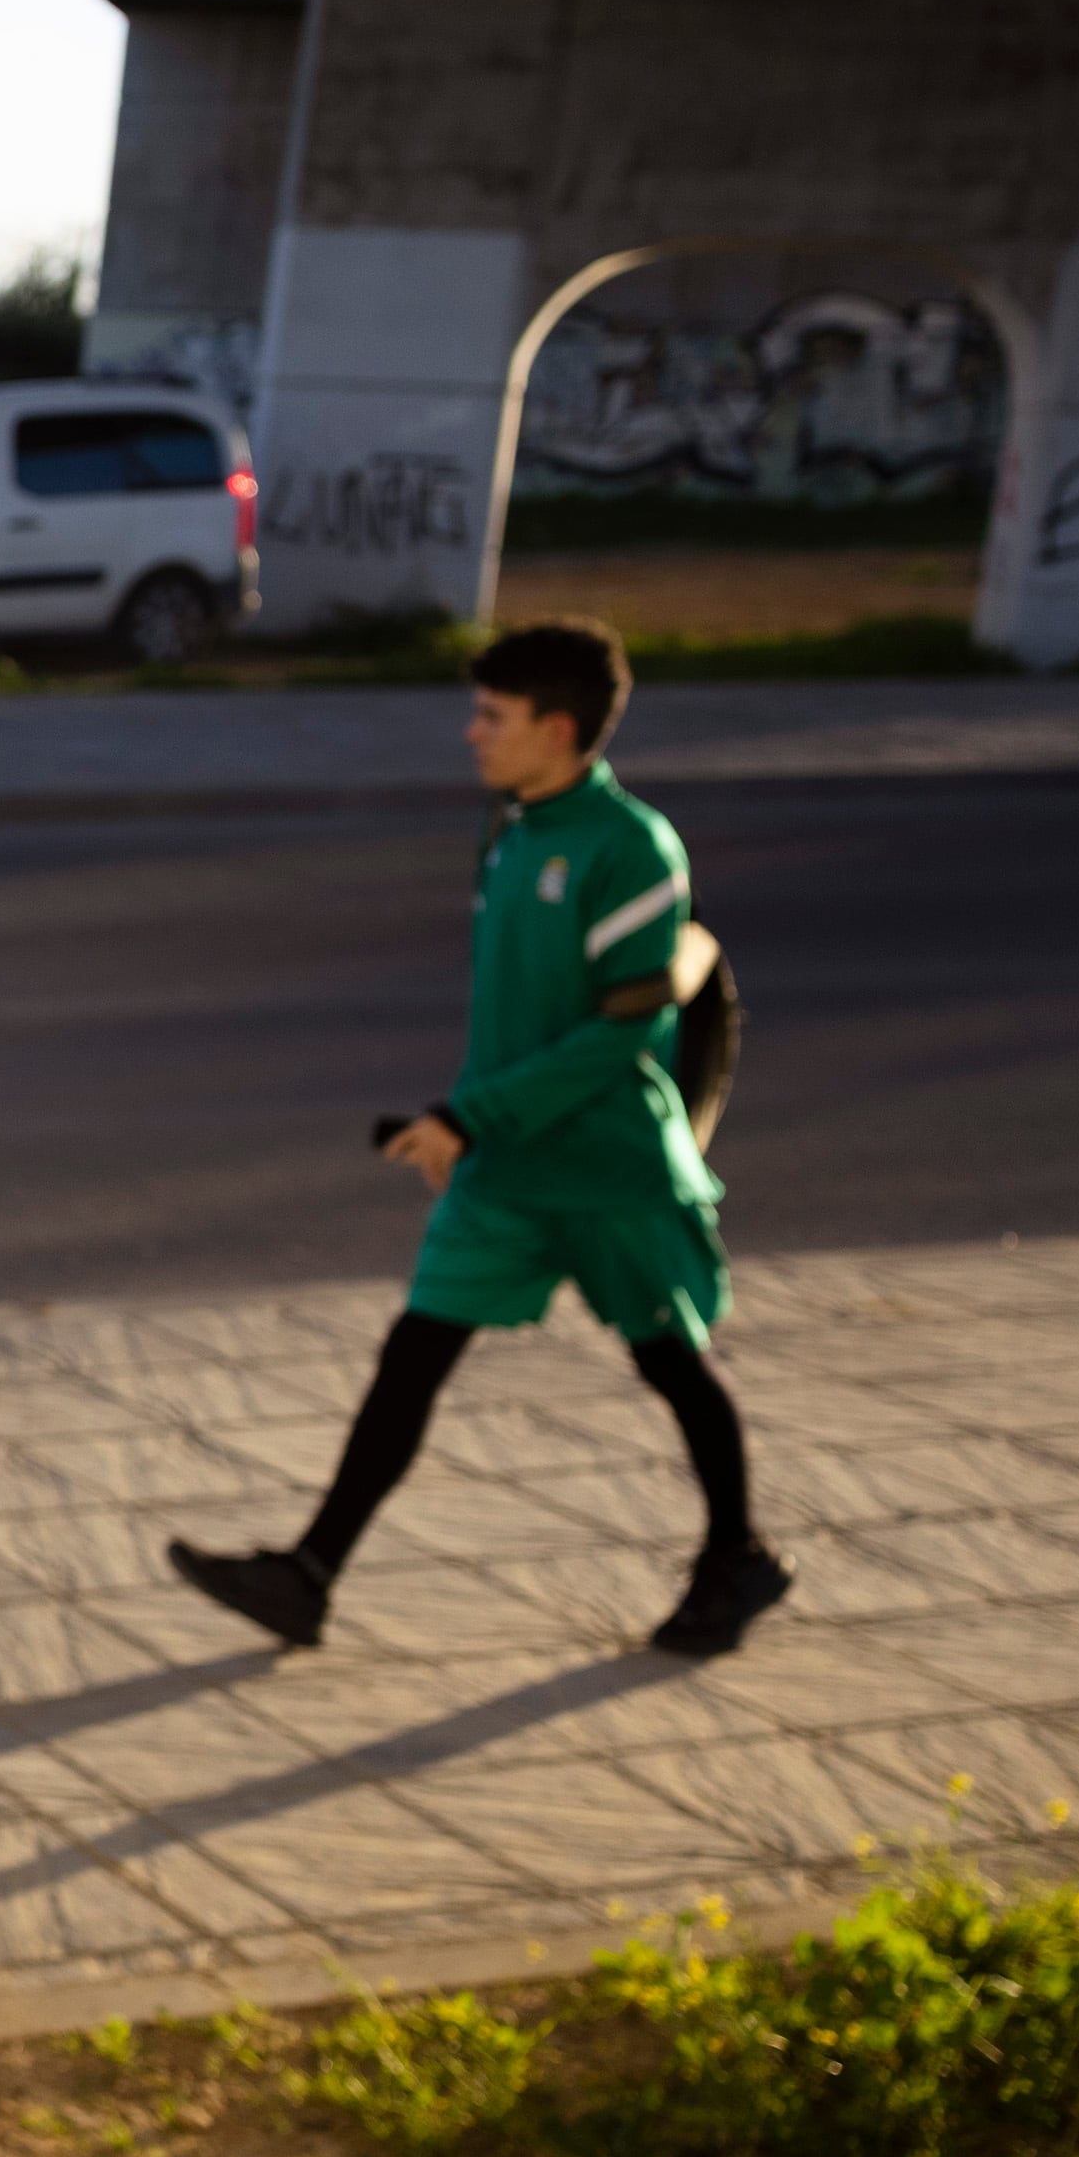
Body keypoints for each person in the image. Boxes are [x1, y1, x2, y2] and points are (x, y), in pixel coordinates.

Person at [170, 619, 790, 1659]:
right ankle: (306, 1574)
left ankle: (737, 1557)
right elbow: (513, 1014)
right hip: (501, 1167)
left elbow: (621, 1030)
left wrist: (466, 1115)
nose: (471, 735)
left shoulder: (628, 846)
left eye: (490, 718)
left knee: (671, 1366)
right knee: (410, 1356)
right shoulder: (507, 830)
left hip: (603, 1171)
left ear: (557, 729)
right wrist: (457, 1125)